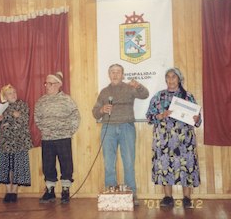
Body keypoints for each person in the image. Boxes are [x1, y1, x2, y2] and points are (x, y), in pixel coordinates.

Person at [92, 64, 149, 206]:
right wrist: (102, 110)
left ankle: (131, 194)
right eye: (112, 72)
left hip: (126, 127)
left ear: (123, 75)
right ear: (109, 74)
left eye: (118, 72)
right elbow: (94, 112)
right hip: (108, 128)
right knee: (109, 163)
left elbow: (145, 94)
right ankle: (111, 194)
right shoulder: (104, 92)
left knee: (129, 162)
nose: (115, 74)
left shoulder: (130, 88)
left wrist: (138, 85)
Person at [145, 67, 201, 209]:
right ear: (165, 79)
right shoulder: (159, 96)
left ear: (179, 79)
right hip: (164, 140)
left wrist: (196, 118)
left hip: (185, 141)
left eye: (173, 77)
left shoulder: (188, 96)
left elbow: (198, 121)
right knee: (165, 165)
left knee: (187, 166)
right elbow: (149, 117)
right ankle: (168, 197)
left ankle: (187, 198)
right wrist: (161, 115)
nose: (170, 79)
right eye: (168, 77)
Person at [34, 71, 80, 204]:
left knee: (66, 164)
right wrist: (46, 130)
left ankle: (65, 190)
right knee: (48, 165)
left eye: (50, 83)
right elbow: (37, 118)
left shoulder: (67, 100)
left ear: (59, 84)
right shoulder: (41, 101)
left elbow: (75, 117)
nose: (47, 86)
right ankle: (50, 191)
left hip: (63, 138)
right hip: (47, 138)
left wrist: (68, 131)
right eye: (46, 83)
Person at [0, 84, 33, 203]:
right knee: (6, 166)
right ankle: (8, 191)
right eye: (10, 93)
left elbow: (23, 120)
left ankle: (15, 191)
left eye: (14, 92)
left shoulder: (22, 104)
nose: (13, 95)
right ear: (4, 96)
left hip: (19, 141)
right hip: (5, 142)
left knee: (18, 166)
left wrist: (8, 118)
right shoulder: (0, 106)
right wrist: (11, 116)